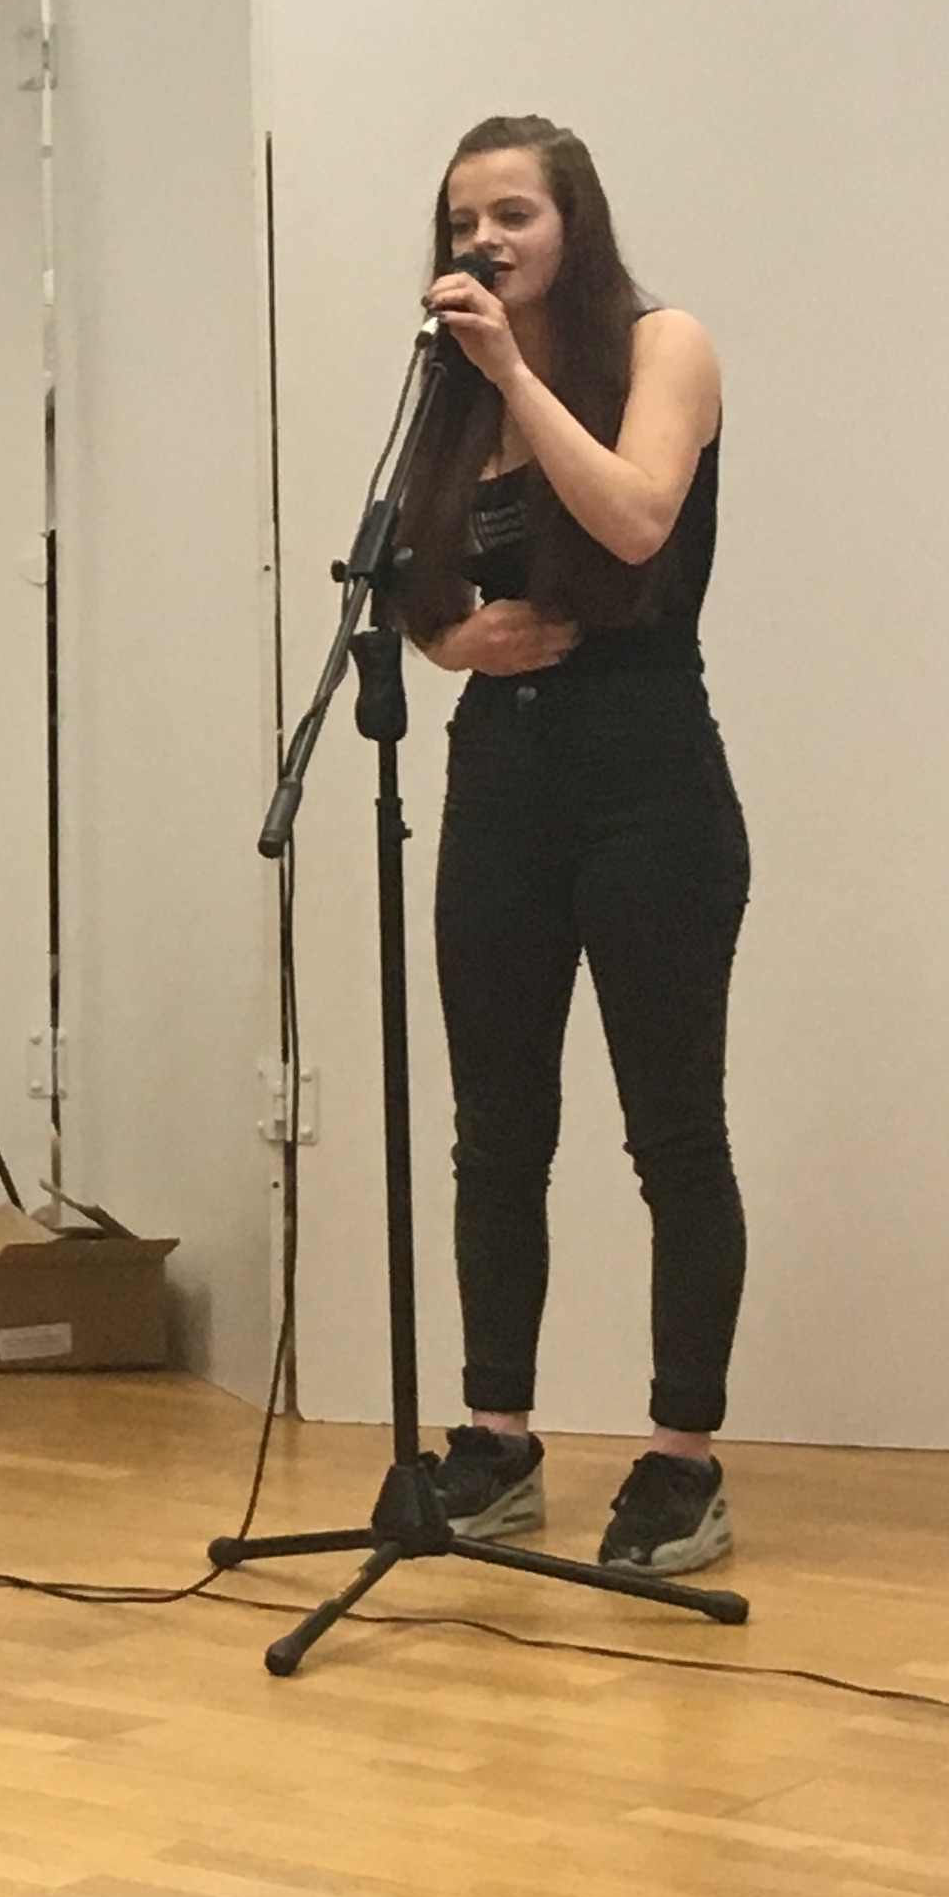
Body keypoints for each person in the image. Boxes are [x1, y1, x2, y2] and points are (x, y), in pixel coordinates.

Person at [398, 114, 745, 1577]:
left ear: (574, 224)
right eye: (463, 220)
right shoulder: (447, 384)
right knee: (496, 1132)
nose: (485, 240)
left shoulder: (664, 346)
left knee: (673, 1131)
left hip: (647, 767)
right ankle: (497, 1438)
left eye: (514, 215)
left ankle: (682, 1458)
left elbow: (636, 518)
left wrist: (513, 379)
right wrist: (446, 640)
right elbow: (407, 575)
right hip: (502, 775)